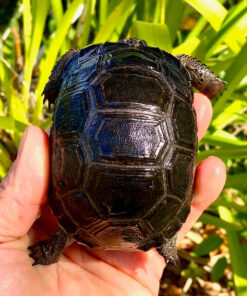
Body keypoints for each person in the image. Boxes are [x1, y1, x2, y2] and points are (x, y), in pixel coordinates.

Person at [0, 94, 226, 296]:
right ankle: (164, 238)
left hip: (85, 215)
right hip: (150, 219)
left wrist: (53, 88)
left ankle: (55, 247)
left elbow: (70, 63)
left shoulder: (91, 61)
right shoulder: (174, 67)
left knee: (71, 227)